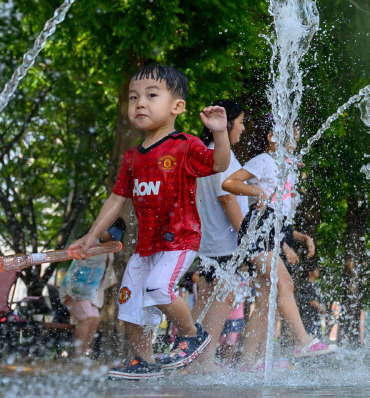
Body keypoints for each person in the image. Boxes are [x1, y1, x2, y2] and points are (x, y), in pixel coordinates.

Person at [68, 65, 230, 380]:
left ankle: (192, 334)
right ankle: (145, 360)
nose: (140, 103)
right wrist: (91, 237)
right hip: (146, 245)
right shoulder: (132, 157)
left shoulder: (185, 144)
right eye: (133, 97)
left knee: (158, 287)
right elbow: (116, 199)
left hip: (180, 239)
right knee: (128, 299)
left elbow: (219, 164)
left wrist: (220, 132)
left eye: (151, 96)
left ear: (177, 107)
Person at [222, 114, 335, 370]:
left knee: (265, 300)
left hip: (270, 230)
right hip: (257, 229)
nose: (293, 146)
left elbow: (278, 216)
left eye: (296, 141)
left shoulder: (285, 168)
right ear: (272, 137)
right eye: (289, 140)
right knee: (284, 282)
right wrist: (256, 191)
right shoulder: (263, 161)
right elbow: (229, 182)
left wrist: (292, 240)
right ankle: (303, 341)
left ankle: (248, 362)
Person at [185, 99, 248, 374]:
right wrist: (247, 239)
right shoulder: (223, 156)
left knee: (206, 299)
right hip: (225, 242)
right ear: (228, 122)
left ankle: (192, 357)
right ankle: (206, 361)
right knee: (220, 300)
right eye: (241, 122)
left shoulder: (206, 153)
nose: (243, 128)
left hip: (209, 241)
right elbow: (228, 200)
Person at [60, 219, 125, 358]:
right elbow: (79, 268)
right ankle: (76, 356)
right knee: (86, 318)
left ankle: (83, 353)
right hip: (73, 291)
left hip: (88, 294)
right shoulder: (92, 245)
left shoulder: (107, 252)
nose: (112, 239)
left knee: (94, 319)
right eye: (111, 235)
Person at [297, 262, 327, 339]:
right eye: (316, 270)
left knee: (317, 334)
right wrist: (321, 308)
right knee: (309, 334)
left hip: (315, 315)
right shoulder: (306, 284)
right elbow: (311, 300)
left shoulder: (315, 284)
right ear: (310, 272)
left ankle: (318, 348)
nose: (318, 272)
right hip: (307, 316)